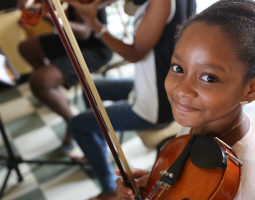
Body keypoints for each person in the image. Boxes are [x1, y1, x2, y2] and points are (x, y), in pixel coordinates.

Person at [115, 0, 255, 199]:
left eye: (209, 78)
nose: (182, 90)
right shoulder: (199, 122)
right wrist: (155, 186)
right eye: (178, 68)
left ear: (252, 88)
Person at [67, 0, 196, 199]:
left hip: (156, 102)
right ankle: (97, 151)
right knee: (90, 89)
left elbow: (135, 53)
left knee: (78, 125)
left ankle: (109, 188)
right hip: (149, 82)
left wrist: (95, 24)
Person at [18, 4, 112, 152]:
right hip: (73, 39)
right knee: (26, 47)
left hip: (96, 48)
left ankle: (73, 124)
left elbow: (84, 32)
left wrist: (49, 15)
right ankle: (55, 94)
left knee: (38, 82)